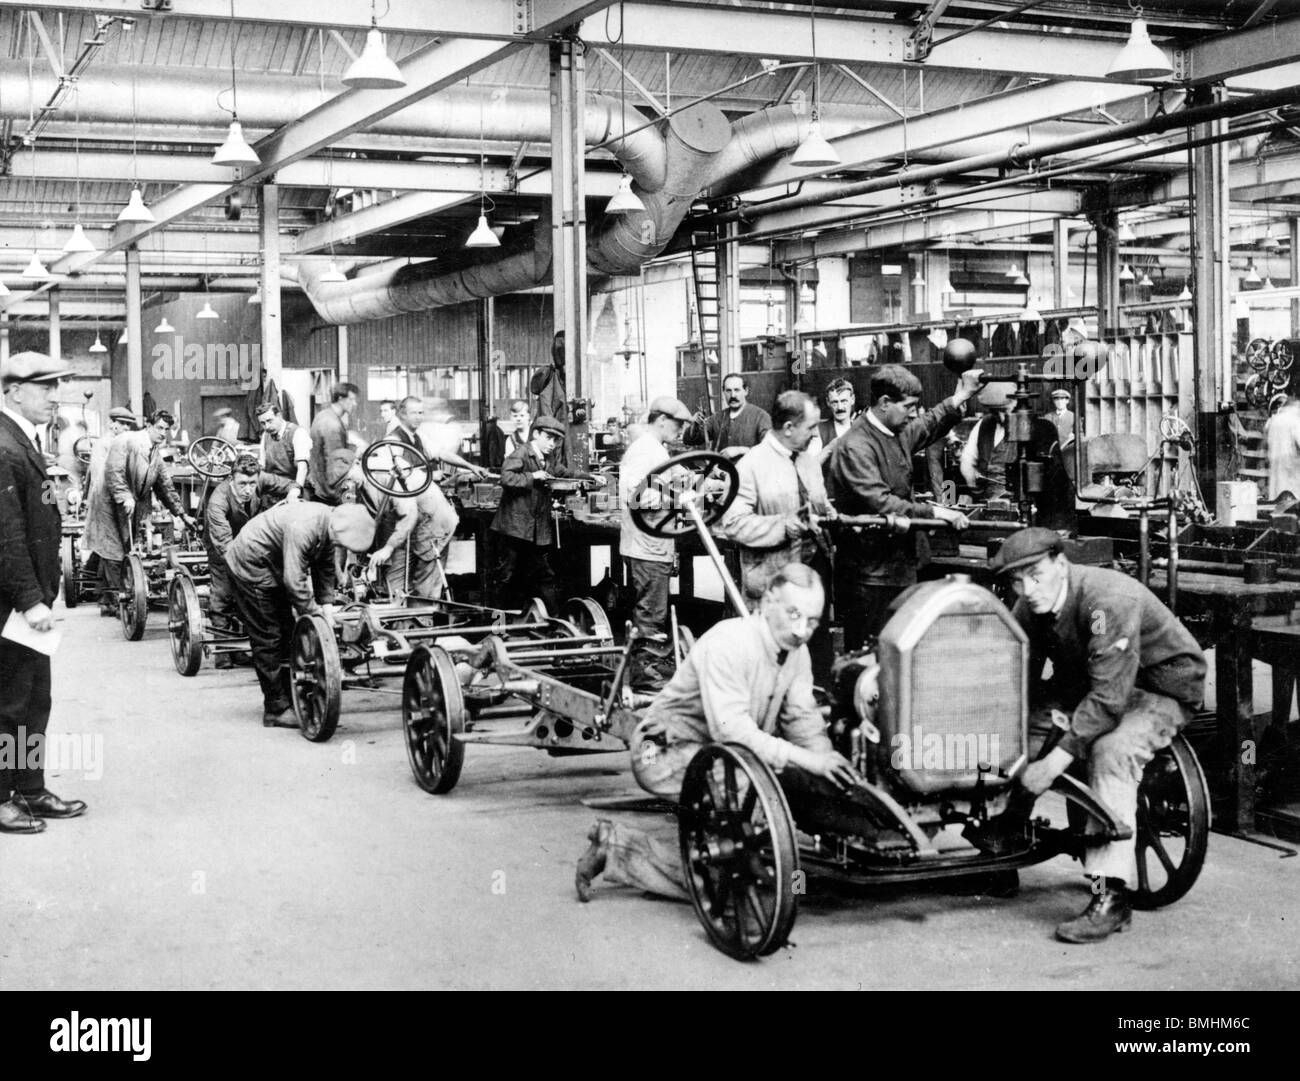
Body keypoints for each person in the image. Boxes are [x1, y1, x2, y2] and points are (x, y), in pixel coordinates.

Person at [574, 564, 859, 901]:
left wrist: (828, 765)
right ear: (768, 600)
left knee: (763, 805)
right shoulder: (730, 642)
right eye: (794, 614)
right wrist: (807, 761)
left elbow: (803, 720)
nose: (801, 630)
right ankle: (620, 849)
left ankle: (764, 863)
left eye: (812, 622)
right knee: (740, 844)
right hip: (659, 750)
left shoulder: (796, 653)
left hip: (719, 752)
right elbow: (732, 732)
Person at [982, 528, 1207, 943]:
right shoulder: (1032, 604)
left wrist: (1050, 764)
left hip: (1158, 690)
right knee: (1014, 728)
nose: (1028, 590)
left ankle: (1111, 897)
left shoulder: (1107, 601)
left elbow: (1108, 700)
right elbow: (1016, 673)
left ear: (1060, 564)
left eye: (1035, 575)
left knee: (1109, 749)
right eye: (1017, 581)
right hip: (1090, 685)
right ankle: (1003, 845)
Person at [826, 364, 981, 650]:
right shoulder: (856, 445)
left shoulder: (892, 430)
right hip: (868, 579)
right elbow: (881, 502)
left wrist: (960, 397)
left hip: (897, 568)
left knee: (900, 657)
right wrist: (934, 511)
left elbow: (925, 425)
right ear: (885, 403)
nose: (912, 413)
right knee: (868, 663)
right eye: (908, 406)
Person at [0, 352, 87, 834]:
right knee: (7, 704)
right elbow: (6, 535)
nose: (55, 397)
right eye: (45, 387)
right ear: (14, 391)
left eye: (57, 387)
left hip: (27, 602)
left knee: (34, 701)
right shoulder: (3, 445)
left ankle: (29, 788)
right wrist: (30, 600)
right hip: (12, 605)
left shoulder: (23, 441)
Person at [224, 502, 376, 727]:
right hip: (250, 567)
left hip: (272, 565)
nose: (337, 545)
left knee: (289, 632)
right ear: (334, 530)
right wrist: (316, 617)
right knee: (269, 637)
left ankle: (289, 696)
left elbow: (324, 568)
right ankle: (276, 709)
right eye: (338, 542)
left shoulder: (330, 523)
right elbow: (294, 582)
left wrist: (327, 610)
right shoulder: (304, 526)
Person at [720, 390, 835, 680]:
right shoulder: (750, 466)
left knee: (816, 659)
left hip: (814, 576)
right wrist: (783, 525)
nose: (815, 433)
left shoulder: (808, 461)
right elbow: (733, 524)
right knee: (775, 665)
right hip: (774, 582)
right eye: (810, 427)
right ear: (788, 428)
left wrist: (826, 511)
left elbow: (817, 502)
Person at [85, 410, 194, 615]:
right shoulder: (126, 440)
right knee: (114, 550)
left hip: (134, 501)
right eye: (159, 428)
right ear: (149, 425)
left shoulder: (155, 453)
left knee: (135, 546)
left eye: (167, 429)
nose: (163, 433)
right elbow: (113, 471)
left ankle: (110, 598)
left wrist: (182, 514)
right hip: (109, 501)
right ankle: (120, 601)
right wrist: (124, 495)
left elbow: (165, 487)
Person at [618, 395, 693, 689]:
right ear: (661, 420)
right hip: (646, 544)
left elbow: (678, 475)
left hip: (654, 543)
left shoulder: (657, 451)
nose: (681, 432)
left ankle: (649, 667)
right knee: (650, 611)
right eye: (678, 425)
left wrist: (707, 482)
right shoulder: (642, 452)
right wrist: (677, 498)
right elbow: (635, 497)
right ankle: (643, 675)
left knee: (654, 608)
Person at [489, 414, 591, 613]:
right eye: (548, 438)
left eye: (556, 440)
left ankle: (554, 623)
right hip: (513, 529)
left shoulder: (549, 458)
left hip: (535, 530)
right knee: (506, 577)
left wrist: (590, 476)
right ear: (535, 434)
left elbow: (564, 473)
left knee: (544, 574)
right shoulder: (521, 453)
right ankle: (497, 628)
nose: (552, 444)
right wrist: (532, 476)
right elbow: (506, 478)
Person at [204, 454, 293, 667]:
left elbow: (291, 484)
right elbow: (226, 547)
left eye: (252, 483)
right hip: (221, 548)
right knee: (224, 595)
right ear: (231, 479)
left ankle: (251, 648)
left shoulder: (259, 479)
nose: (248, 489)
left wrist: (294, 494)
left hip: (250, 543)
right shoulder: (218, 501)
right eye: (242, 484)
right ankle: (224, 651)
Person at [684, 373, 771, 454]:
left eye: (737, 390)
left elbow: (770, 449)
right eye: (728, 390)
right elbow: (690, 440)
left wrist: (741, 450)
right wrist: (695, 423)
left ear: (746, 391)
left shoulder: (761, 417)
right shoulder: (717, 418)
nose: (733, 395)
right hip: (720, 470)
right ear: (724, 392)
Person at [306, 381, 359, 504]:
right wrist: (355, 458)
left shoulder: (324, 415)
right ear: (340, 399)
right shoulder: (332, 424)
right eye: (351, 400)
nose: (354, 404)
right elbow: (337, 468)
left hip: (319, 484)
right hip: (331, 492)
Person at [255, 400, 310, 496]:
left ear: (279, 416)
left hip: (296, 487)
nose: (267, 426)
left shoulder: (298, 433)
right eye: (263, 423)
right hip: (274, 487)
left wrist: (296, 491)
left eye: (269, 421)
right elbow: (262, 466)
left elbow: (303, 468)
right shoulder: (266, 435)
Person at [808, 377, 856, 466]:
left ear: (852, 399)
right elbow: (810, 467)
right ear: (828, 402)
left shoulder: (861, 428)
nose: (840, 407)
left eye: (844, 401)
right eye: (835, 402)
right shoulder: (819, 430)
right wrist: (829, 448)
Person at [1266, 394, 1300, 500]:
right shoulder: (1295, 421)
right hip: (1291, 470)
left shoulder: (1274, 421)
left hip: (1276, 468)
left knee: (1277, 498)